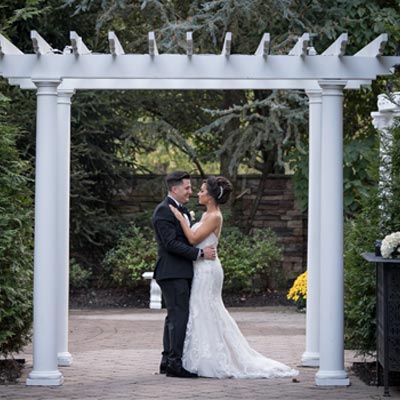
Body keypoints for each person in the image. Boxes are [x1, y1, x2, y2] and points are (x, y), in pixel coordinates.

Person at [169, 175, 299, 379]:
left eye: (202, 191)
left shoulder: (214, 217)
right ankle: (200, 356)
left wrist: (179, 219)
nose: (198, 193)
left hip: (208, 270)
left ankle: (213, 358)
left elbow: (193, 238)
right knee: (200, 309)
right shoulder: (206, 215)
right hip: (201, 265)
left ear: (211, 197)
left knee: (206, 308)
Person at [152, 171, 217, 378]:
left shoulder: (181, 210)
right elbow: (170, 244)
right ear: (174, 189)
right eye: (187, 188)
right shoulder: (163, 211)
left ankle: (167, 360)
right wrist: (199, 253)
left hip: (180, 271)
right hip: (171, 271)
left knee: (174, 315)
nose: (190, 191)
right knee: (179, 316)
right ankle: (174, 364)